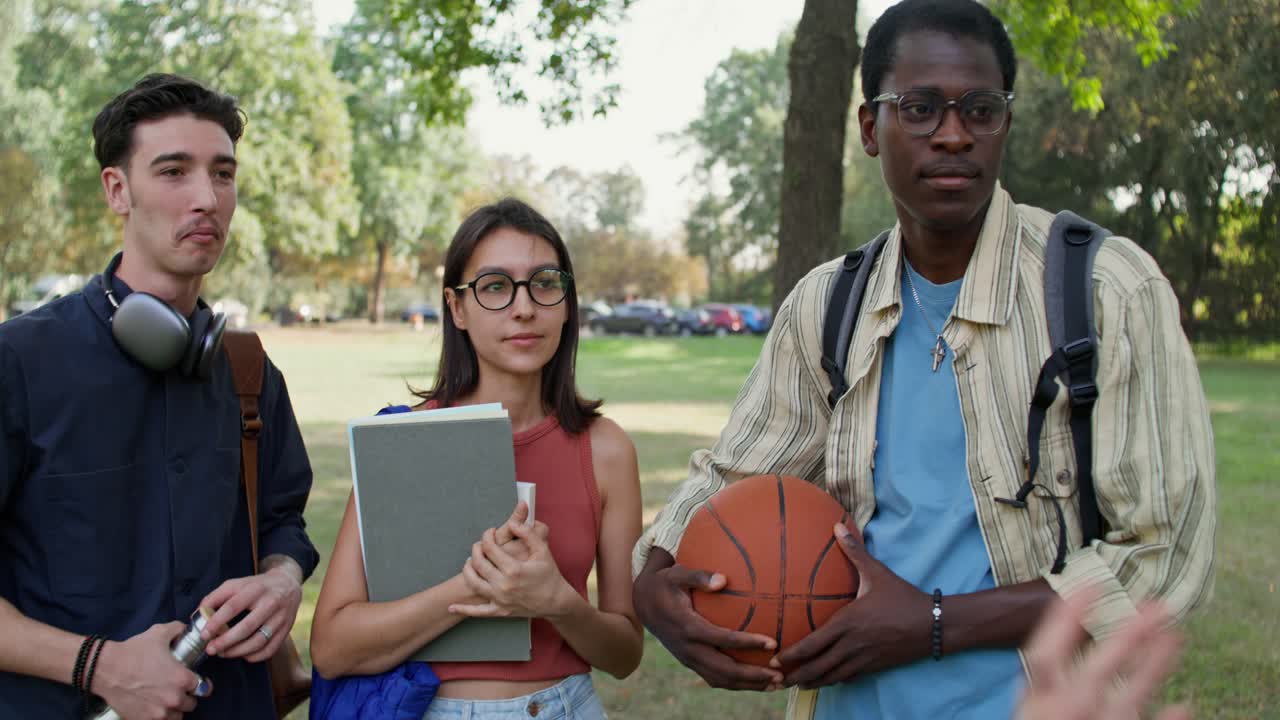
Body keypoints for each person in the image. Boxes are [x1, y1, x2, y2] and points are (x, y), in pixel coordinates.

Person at [631, 1, 1216, 718]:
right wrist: (654, 577)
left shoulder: (1106, 290)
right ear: (870, 128)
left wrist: (934, 624)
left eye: (980, 108)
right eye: (920, 108)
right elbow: (737, 473)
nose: (952, 134)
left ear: (1006, 122)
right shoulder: (825, 306)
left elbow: (1164, 556)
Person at [0, 73, 319, 719]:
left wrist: (283, 580)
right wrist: (99, 665)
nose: (207, 197)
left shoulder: (249, 370)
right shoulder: (18, 362)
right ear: (117, 189)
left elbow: (282, 523)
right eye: (174, 171)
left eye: (223, 174)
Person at [310, 198, 643, 719]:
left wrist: (558, 601)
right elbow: (331, 647)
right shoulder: (400, 439)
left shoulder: (607, 450)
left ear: (567, 301)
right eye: (494, 287)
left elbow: (624, 653)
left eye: (545, 283)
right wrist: (477, 586)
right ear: (457, 308)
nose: (524, 307)